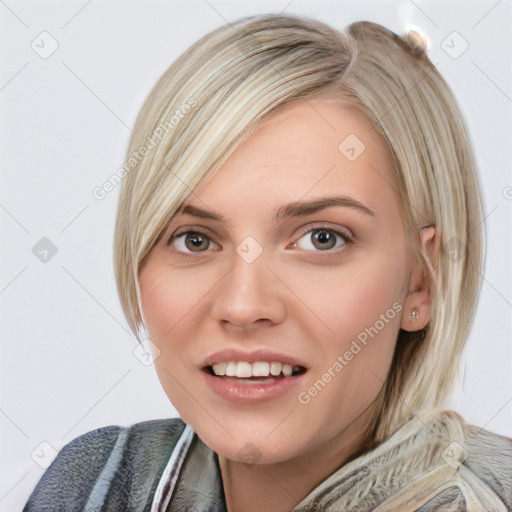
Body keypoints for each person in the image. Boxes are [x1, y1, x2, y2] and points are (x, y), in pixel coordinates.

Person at [23, 13, 512, 512]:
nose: (242, 304)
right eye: (194, 239)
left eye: (322, 239)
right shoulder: (98, 482)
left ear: (421, 283)